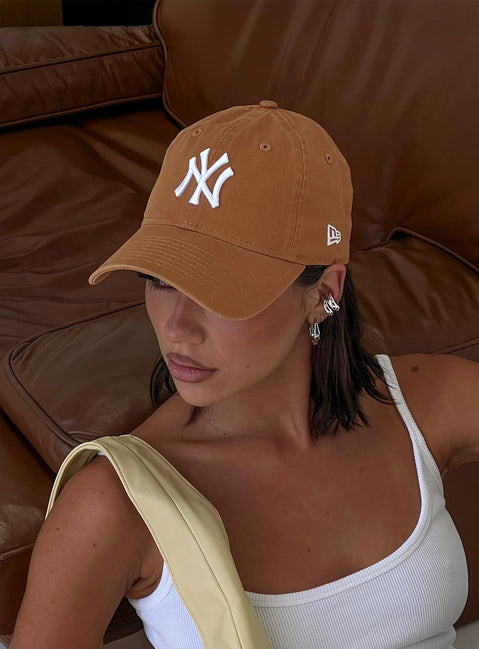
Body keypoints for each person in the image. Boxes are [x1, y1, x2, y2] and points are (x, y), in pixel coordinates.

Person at [10, 102, 478, 649]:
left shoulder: (430, 403)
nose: (176, 328)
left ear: (323, 293)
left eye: (219, 290)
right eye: (159, 279)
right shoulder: (115, 503)